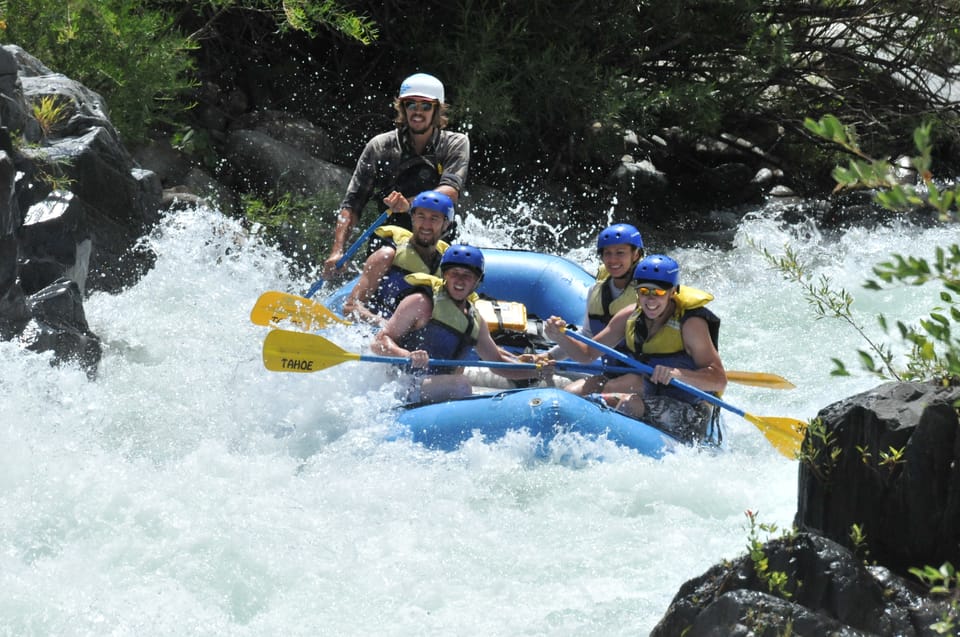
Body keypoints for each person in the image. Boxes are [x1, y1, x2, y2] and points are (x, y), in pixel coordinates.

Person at [543, 254, 727, 442]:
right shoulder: (629, 315)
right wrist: (561, 336)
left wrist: (678, 374)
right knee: (572, 393)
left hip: (688, 408)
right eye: (644, 291)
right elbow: (587, 354)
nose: (650, 300)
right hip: (644, 390)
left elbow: (719, 380)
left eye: (659, 293)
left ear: (673, 292)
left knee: (626, 404)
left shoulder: (690, 325)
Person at [323, 72, 470, 280]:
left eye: (426, 106)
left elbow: (450, 191)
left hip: (438, 238)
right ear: (403, 108)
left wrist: (410, 204)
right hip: (390, 240)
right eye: (411, 105)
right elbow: (352, 204)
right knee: (386, 254)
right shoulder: (380, 146)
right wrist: (337, 250)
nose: (417, 112)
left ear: (437, 110)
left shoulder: (454, 143)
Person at [372, 245, 542, 404]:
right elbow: (379, 341)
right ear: (444, 275)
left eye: (467, 276)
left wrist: (537, 370)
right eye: (454, 273)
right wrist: (406, 355)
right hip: (401, 383)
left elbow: (498, 363)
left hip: (436, 389)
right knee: (460, 385)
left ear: (477, 281)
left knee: (460, 384)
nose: (459, 281)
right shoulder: (421, 302)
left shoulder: (475, 321)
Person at [529, 223, 645, 394]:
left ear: (635, 255)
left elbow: (588, 353)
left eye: (620, 253)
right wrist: (549, 356)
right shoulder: (596, 291)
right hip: (612, 373)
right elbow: (588, 338)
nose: (612, 260)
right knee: (568, 394)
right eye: (607, 253)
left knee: (610, 391)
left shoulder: (647, 296)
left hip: (642, 377)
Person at [343, 190, 453, 326]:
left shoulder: (448, 266)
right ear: (412, 218)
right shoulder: (387, 256)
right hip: (375, 329)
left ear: (446, 224)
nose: (426, 224)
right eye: (421, 216)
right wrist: (388, 325)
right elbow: (350, 307)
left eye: (434, 218)